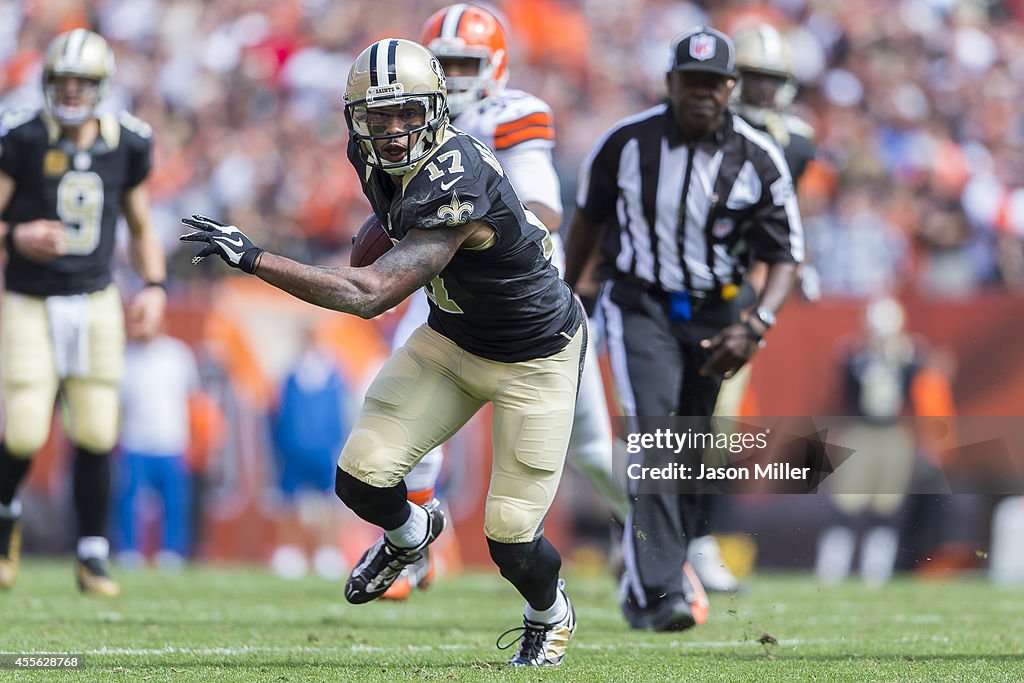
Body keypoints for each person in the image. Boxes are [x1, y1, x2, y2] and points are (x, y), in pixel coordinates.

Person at [180, 38, 585, 667]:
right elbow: (387, 224)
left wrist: (254, 258)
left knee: (509, 534)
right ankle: (411, 533)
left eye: (407, 115)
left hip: (535, 355)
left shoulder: (456, 176)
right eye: (377, 117)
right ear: (355, 118)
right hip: (454, 337)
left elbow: (369, 295)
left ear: (438, 109)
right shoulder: (369, 153)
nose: (392, 132)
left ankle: (549, 612)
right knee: (361, 477)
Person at [379, 2, 628, 601]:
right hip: (449, 290)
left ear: (495, 65)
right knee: (396, 402)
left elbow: (542, 212)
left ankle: (663, 542)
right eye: (442, 63)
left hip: (531, 305)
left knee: (593, 448)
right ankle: (415, 544)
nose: (454, 75)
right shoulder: (406, 126)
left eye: (465, 62)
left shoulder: (511, 114)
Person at [564, 27, 803, 631]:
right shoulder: (625, 144)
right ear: (670, 83)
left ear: (730, 87)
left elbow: (786, 253)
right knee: (657, 436)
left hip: (720, 313)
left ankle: (653, 569)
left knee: (692, 447)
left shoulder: (757, 155)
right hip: (640, 303)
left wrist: (757, 323)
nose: (700, 93)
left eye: (711, 83)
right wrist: (564, 292)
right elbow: (587, 222)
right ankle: (661, 588)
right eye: (688, 81)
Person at [0, 29, 166, 596]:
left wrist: (153, 285)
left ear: (102, 87)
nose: (71, 94)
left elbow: (141, 225)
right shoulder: (20, 138)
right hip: (29, 297)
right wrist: (16, 235)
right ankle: (4, 522)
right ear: (47, 83)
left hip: (95, 298)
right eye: (62, 82)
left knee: (96, 429)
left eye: (83, 84)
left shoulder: (129, 142)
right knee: (23, 428)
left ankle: (92, 552)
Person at [688, 23, 822, 593]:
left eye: (773, 81)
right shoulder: (703, 129)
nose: (764, 91)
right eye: (756, 79)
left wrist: (795, 261)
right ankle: (656, 536)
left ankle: (692, 539)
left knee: (712, 426)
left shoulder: (797, 143)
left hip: (736, 294)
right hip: (684, 282)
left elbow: (781, 215)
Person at [268, 331, 351, 580]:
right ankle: (290, 551)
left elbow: (340, 416)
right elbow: (277, 415)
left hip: (326, 452)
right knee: (289, 504)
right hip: (293, 452)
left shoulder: (335, 376)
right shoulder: (290, 376)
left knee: (331, 503)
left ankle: (328, 552)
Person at [116, 331, 198, 570]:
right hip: (134, 439)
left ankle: (172, 552)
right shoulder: (126, 357)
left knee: (174, 501)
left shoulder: (178, 354)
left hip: (170, 439)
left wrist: (194, 438)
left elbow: (192, 400)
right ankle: (129, 551)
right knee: (128, 501)